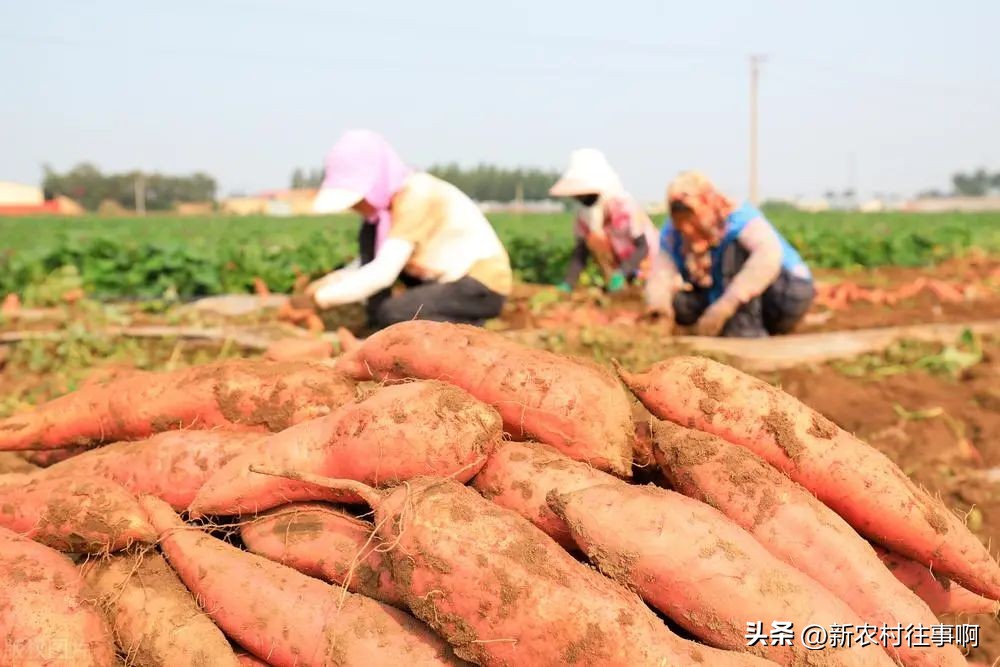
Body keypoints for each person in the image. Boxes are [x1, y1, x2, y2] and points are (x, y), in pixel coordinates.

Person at [306, 130, 513, 330]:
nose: (355, 207)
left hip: (479, 286)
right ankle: (379, 325)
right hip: (440, 279)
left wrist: (319, 299)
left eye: (358, 199)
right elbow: (370, 263)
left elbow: (383, 272)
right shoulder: (384, 212)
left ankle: (465, 331)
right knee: (369, 234)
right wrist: (328, 282)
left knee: (395, 314)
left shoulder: (416, 197)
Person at [647, 171, 815, 337]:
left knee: (734, 248)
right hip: (724, 292)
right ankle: (728, 322)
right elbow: (660, 273)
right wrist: (660, 309)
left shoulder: (739, 219)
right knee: (680, 304)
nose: (687, 229)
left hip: (786, 294)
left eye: (691, 217)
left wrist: (725, 306)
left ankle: (744, 330)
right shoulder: (672, 233)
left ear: (705, 203)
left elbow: (768, 258)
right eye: (680, 220)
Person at [549, 149, 659, 293]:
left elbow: (643, 247)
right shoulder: (583, 218)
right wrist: (569, 282)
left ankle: (633, 283)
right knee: (593, 239)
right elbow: (581, 252)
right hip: (620, 267)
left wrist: (623, 272)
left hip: (647, 264)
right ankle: (618, 285)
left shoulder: (625, 209)